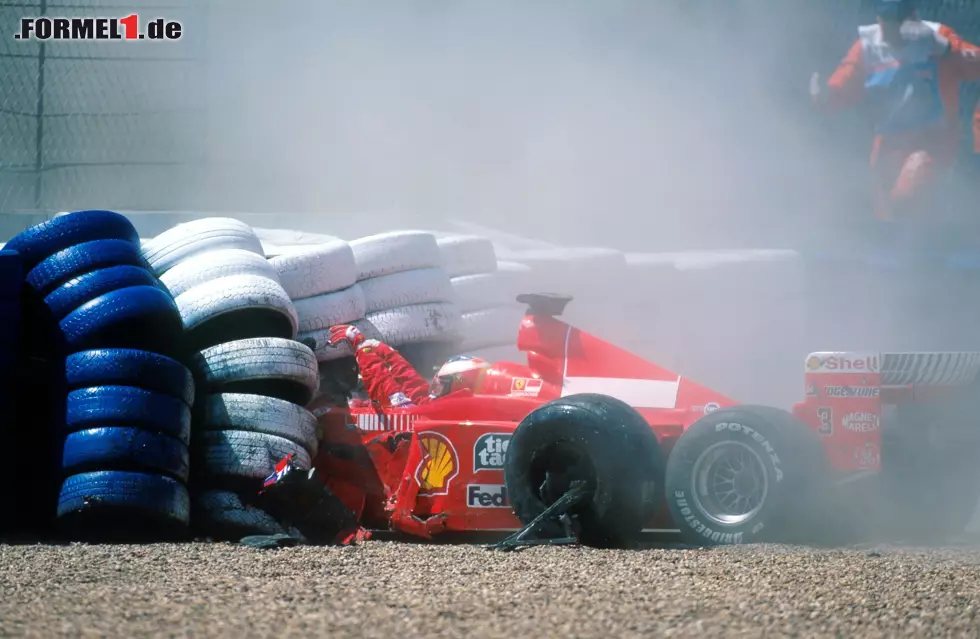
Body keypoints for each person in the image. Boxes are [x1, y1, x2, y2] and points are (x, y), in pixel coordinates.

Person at [810, 0, 980, 223]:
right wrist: (825, 95)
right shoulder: (868, 46)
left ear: (912, 17)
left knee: (908, 198)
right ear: (879, 19)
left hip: (932, 142)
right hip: (888, 144)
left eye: (898, 21)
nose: (891, 30)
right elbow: (845, 84)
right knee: (886, 216)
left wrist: (946, 48)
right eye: (886, 21)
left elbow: (974, 64)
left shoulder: (936, 36)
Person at [327, 324, 491, 408]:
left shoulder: (442, 412)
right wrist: (385, 353)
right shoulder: (439, 405)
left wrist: (363, 349)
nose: (434, 387)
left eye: (441, 384)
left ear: (459, 386)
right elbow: (414, 388)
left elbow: (388, 396)